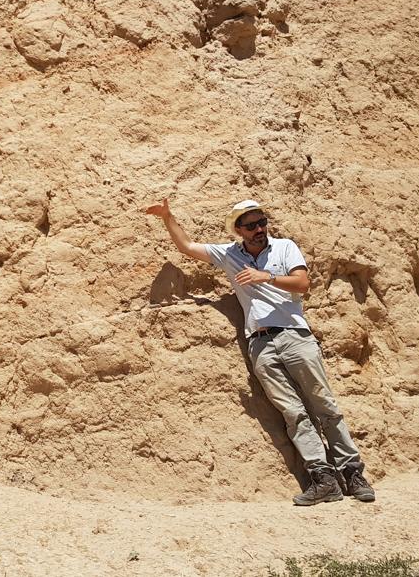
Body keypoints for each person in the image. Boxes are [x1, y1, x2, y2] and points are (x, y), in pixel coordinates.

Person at [143, 198, 375, 505]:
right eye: (251, 225)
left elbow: (302, 283)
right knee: (294, 413)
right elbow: (187, 247)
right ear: (238, 230)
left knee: (324, 405)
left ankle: (353, 472)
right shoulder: (230, 254)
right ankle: (324, 479)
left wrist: (266, 276)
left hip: (295, 336)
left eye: (261, 222)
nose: (259, 229)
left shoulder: (284, 247)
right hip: (260, 343)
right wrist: (167, 216)